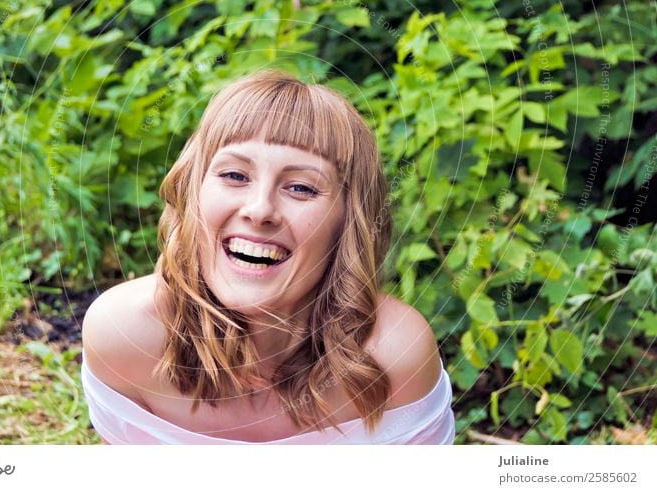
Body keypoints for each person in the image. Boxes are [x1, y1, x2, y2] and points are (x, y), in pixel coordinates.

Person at [81, 69, 455, 444]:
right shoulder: (122, 335)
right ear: (192, 191)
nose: (260, 210)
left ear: (347, 220)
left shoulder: (396, 356)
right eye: (234, 175)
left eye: (301, 187)